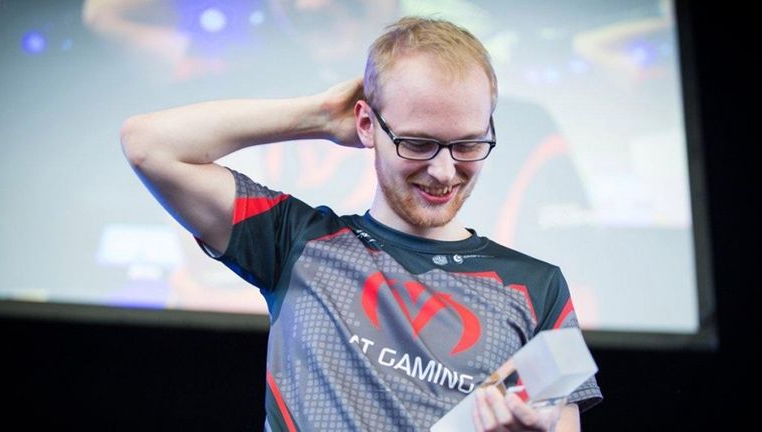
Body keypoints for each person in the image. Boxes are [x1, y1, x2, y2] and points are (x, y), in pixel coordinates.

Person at [121, 16, 601, 432]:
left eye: (469, 144)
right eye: (417, 143)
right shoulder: (296, 241)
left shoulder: (539, 288)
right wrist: (317, 116)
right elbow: (147, 144)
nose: (443, 171)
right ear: (368, 125)